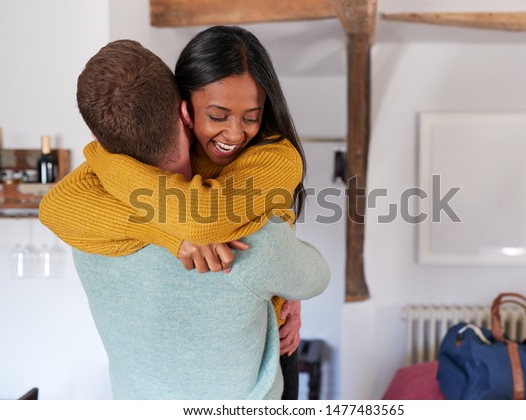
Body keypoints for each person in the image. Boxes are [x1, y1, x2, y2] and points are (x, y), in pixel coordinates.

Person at [40, 39, 329, 399]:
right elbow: (53, 206)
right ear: (186, 111)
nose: (235, 133)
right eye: (217, 115)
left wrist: (102, 157)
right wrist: (171, 234)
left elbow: (204, 217)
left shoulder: (273, 159)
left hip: (262, 347)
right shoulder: (108, 183)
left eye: (251, 116)